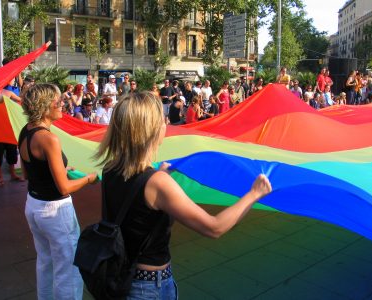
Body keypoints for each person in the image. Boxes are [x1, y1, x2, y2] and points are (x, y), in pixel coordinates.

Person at [94, 92, 272, 299]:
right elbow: (214, 227)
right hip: (149, 286)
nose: (166, 124)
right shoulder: (157, 184)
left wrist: (158, 175)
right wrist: (254, 194)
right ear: (152, 130)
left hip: (122, 276)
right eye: (163, 120)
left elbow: (137, 208)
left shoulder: (110, 169)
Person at [19, 83, 98, 300]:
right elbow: (63, 187)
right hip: (55, 211)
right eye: (57, 100)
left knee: (45, 262)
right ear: (45, 106)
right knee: (69, 268)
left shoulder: (25, 131)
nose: (62, 103)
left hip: (34, 206)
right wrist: (88, 178)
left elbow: (28, 174)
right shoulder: (49, 139)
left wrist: (61, 169)